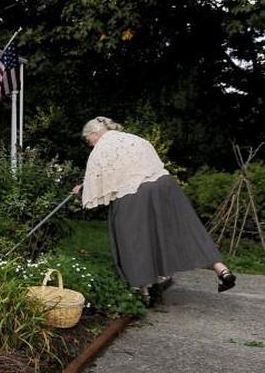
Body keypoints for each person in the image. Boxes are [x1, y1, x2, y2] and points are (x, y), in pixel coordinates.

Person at [74, 116, 236, 303]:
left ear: (94, 133)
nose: (90, 144)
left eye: (89, 140)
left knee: (133, 238)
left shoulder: (101, 149)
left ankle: (144, 292)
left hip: (134, 193)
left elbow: (101, 183)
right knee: (185, 228)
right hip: (164, 185)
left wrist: (82, 190)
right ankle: (222, 270)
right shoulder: (134, 139)